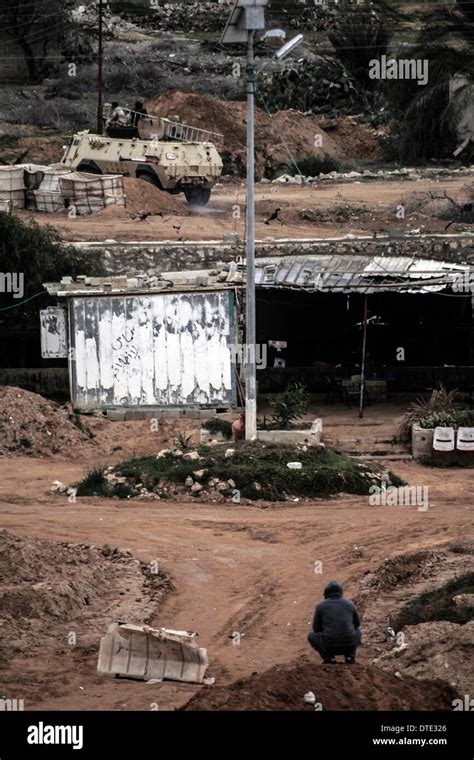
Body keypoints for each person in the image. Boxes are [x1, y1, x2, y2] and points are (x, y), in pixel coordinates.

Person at [307, 580, 361, 664]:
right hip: (349, 644)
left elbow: (316, 628)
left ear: (326, 594)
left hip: (329, 645)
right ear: (341, 593)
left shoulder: (320, 606)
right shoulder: (350, 604)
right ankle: (350, 656)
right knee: (357, 631)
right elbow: (357, 624)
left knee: (311, 636)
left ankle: (329, 658)